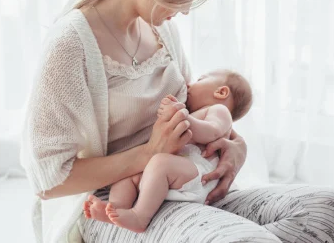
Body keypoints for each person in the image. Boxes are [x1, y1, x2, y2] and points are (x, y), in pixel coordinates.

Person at [21, 0, 334, 242]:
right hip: (121, 202)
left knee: (327, 208)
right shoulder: (71, 45)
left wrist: (235, 147)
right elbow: (48, 181)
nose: (184, 11)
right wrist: (149, 154)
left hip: (186, 184)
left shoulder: (162, 30)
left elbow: (198, 109)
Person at [83, 70, 253, 233]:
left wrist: (183, 117)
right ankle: (116, 208)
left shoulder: (219, 111)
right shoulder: (198, 113)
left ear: (221, 92)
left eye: (200, 79)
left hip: (200, 174)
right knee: (128, 176)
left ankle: (140, 217)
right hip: (176, 174)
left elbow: (212, 131)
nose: (189, 84)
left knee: (160, 163)